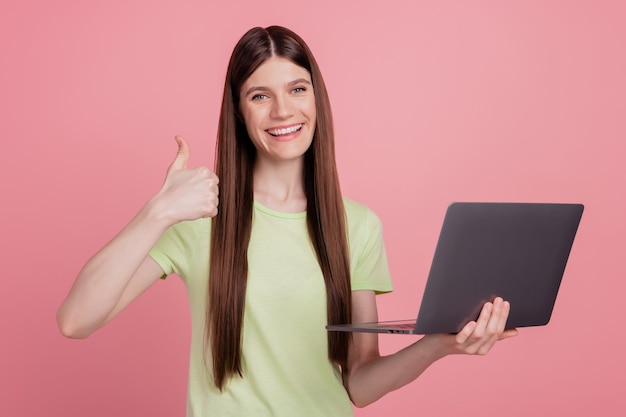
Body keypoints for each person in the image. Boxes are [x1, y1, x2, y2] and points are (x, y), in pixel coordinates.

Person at [57, 26, 518, 416]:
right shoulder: (198, 216)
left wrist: (440, 344)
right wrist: (158, 211)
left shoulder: (356, 225)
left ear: (316, 98)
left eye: (297, 89)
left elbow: (358, 383)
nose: (283, 111)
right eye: (261, 95)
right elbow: (76, 320)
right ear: (239, 112)